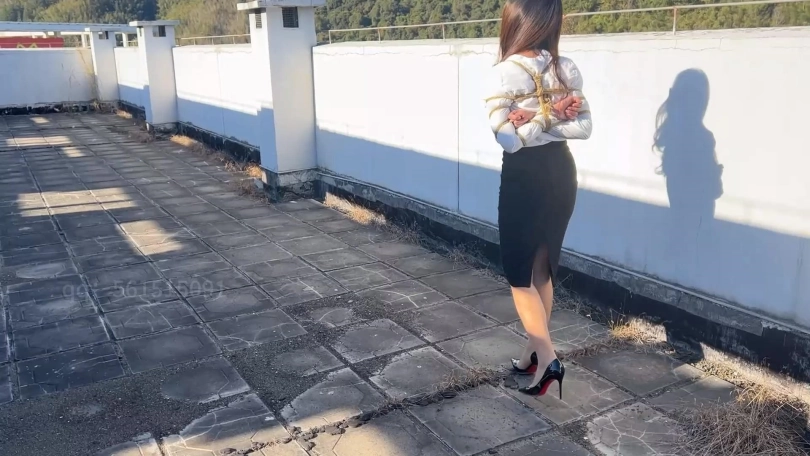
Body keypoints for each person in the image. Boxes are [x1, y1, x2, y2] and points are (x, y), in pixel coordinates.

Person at [484, 0, 593, 398]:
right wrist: (552, 115)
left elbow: (509, 140)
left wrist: (531, 119)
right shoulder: (566, 69)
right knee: (541, 271)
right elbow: (579, 128)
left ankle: (548, 360)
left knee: (518, 274)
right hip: (561, 173)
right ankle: (532, 353)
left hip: (525, 177)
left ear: (514, 21)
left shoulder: (504, 72)